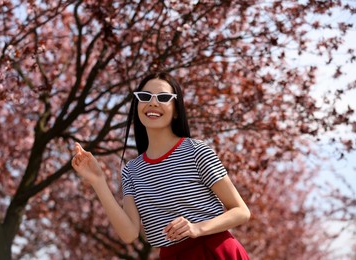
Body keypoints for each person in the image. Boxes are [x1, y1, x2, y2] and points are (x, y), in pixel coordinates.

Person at [71, 71, 251, 259]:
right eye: (145, 96)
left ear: (176, 110)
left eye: (163, 97)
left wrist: (197, 228)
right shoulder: (131, 171)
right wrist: (98, 181)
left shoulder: (197, 151)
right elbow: (129, 234)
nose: (153, 102)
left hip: (215, 251)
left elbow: (241, 211)